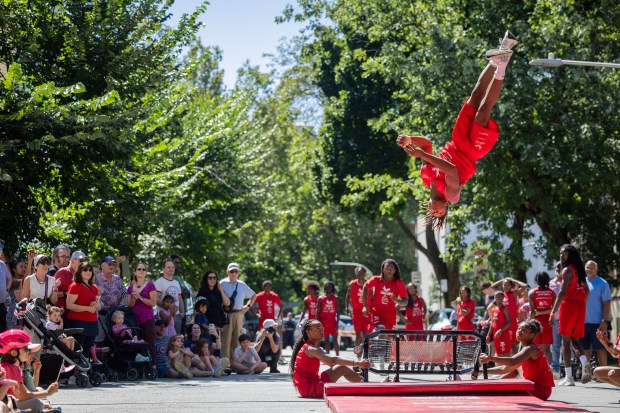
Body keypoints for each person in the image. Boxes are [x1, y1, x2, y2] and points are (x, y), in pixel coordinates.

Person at [396, 31, 518, 230]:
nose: (436, 211)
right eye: (440, 213)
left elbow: (427, 144)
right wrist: (418, 153)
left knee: (475, 95)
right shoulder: (451, 195)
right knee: (483, 112)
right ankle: (502, 66)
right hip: (471, 151)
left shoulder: (425, 177)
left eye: (432, 212)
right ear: (445, 206)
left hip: (457, 140)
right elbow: (451, 169)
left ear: (426, 206)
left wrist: (410, 139)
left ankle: (503, 49)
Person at [290, 319, 371, 398]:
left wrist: (354, 373)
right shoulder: (311, 349)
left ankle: (362, 381)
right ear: (308, 332)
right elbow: (334, 359)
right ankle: (365, 384)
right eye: (317, 328)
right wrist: (358, 363)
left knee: (341, 368)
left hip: (311, 385)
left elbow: (332, 364)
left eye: (322, 328)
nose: (321, 331)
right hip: (310, 388)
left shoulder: (311, 348)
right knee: (342, 373)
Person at [480, 319, 555, 401]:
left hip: (539, 390)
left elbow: (512, 361)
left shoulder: (530, 349)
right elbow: (504, 369)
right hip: (533, 387)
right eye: (519, 328)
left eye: (524, 331)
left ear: (531, 335)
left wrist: (490, 358)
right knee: (512, 374)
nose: (519, 331)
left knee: (501, 393)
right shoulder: (525, 350)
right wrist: (482, 371)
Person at [549, 244, 590, 386]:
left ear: (570, 255)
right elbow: (587, 291)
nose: (561, 256)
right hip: (580, 306)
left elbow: (562, 292)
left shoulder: (566, 271)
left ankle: (569, 378)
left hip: (569, 305)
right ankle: (585, 361)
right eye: (560, 253)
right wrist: (582, 304)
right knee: (575, 341)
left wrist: (553, 312)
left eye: (564, 254)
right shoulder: (579, 271)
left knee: (565, 343)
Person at [0, 329, 60, 412]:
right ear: (14, 353)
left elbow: (26, 392)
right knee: (36, 403)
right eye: (26, 350)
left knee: (36, 402)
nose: (29, 353)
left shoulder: (16, 367)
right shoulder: (8, 368)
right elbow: (23, 396)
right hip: (6, 404)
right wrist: (47, 392)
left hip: (12, 402)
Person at [65, 261, 101, 365]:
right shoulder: (75, 286)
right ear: (79, 272)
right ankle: (74, 373)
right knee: (77, 351)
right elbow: (69, 305)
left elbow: (98, 307)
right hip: (78, 323)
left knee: (87, 351)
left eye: (90, 270)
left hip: (92, 323)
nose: (88, 272)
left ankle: (84, 372)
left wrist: (95, 305)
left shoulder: (94, 287)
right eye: (85, 269)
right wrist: (87, 308)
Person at [220, 263, 256, 360]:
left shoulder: (242, 284)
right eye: (232, 271)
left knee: (237, 339)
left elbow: (253, 295)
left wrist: (247, 307)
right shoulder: (222, 283)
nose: (234, 273)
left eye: (236, 271)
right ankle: (225, 363)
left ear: (238, 273)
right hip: (226, 314)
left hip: (239, 313)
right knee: (226, 339)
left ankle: (235, 363)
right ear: (227, 272)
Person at [580, 260, 612, 368]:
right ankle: (587, 372)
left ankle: (604, 373)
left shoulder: (602, 283)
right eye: (587, 267)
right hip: (582, 323)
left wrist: (604, 321)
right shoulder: (581, 282)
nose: (589, 270)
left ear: (596, 269)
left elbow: (607, 304)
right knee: (584, 349)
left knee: (601, 348)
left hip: (598, 323)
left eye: (592, 267)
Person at [126, 262, 157, 369]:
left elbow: (153, 303)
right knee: (136, 344)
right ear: (135, 272)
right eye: (139, 269)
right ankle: (139, 367)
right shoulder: (130, 288)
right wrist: (134, 300)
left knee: (150, 343)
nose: (141, 271)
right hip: (135, 320)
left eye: (144, 269)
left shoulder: (150, 285)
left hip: (148, 319)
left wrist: (141, 298)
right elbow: (129, 306)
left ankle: (153, 366)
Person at [362, 258, 407, 330]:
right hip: (377, 312)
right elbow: (365, 286)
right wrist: (365, 305)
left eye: (391, 268)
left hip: (391, 314)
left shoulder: (399, 283)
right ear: (383, 269)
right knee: (381, 331)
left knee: (389, 338)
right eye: (387, 268)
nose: (389, 270)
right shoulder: (376, 279)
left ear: (395, 270)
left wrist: (396, 300)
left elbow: (405, 302)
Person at [528, 271, 555, 366]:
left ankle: (537, 369)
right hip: (548, 323)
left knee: (535, 348)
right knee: (547, 350)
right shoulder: (552, 293)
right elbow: (553, 309)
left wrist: (528, 323)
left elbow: (532, 312)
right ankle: (549, 369)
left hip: (535, 324)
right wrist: (543, 312)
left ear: (536, 280)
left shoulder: (532, 293)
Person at [154, 259, 184, 335]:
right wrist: (167, 307)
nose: (171, 269)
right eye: (168, 267)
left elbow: (180, 298)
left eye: (172, 267)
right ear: (163, 269)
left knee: (177, 338)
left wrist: (182, 311)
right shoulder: (159, 281)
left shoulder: (176, 282)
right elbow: (155, 298)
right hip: (164, 315)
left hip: (176, 315)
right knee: (166, 338)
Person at [345, 266, 372, 346]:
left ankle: (365, 352)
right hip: (356, 312)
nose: (360, 274)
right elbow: (347, 296)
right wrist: (347, 308)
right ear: (356, 273)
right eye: (358, 272)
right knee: (357, 333)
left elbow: (373, 297)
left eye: (361, 272)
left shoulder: (368, 284)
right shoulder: (352, 284)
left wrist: (372, 310)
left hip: (366, 312)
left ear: (364, 273)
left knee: (366, 334)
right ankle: (358, 352)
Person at [170, 254, 193, 337]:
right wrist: (184, 292)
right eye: (176, 263)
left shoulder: (179, 277)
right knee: (176, 338)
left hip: (183, 312)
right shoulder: (171, 277)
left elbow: (187, 295)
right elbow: (183, 294)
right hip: (176, 314)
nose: (178, 265)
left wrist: (184, 293)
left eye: (179, 263)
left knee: (182, 338)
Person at [316, 281, 339, 355]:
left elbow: (338, 311)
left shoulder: (336, 298)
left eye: (330, 287)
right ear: (325, 288)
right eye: (327, 286)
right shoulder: (320, 298)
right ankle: (328, 356)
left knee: (335, 340)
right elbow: (318, 312)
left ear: (332, 288)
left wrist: (337, 322)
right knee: (326, 340)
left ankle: (338, 356)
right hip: (324, 322)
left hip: (333, 321)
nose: (329, 288)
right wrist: (318, 323)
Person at [548, 261, 563, 378]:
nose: (558, 270)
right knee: (555, 345)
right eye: (557, 268)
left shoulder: (568, 281)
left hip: (567, 317)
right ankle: (556, 369)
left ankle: (572, 368)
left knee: (569, 345)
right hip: (555, 317)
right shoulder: (551, 283)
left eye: (561, 268)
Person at [489, 291, 511, 357]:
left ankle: (508, 367)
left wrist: (501, 330)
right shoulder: (493, 309)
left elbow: (509, 322)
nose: (497, 298)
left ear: (503, 298)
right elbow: (492, 323)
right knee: (498, 353)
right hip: (496, 335)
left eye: (499, 297)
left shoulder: (504, 309)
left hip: (503, 334)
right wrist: (488, 335)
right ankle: (499, 366)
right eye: (496, 297)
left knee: (506, 353)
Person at [0, 258, 13, 333]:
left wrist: (7, 289)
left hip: (2, 305)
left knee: (2, 332)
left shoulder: (1, 264)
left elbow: (10, 278)